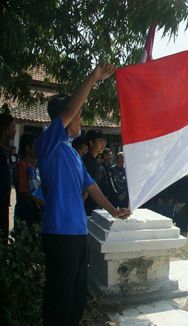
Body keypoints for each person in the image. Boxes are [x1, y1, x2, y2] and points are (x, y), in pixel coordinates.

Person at [36, 63, 130, 326]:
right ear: (64, 119)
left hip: (78, 232)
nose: (81, 120)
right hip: (58, 232)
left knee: (77, 295)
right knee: (60, 297)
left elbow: (91, 186)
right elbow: (69, 110)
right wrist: (94, 77)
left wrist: (113, 210)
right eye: (78, 115)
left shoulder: (73, 154)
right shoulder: (49, 144)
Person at [13, 133, 42, 228]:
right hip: (26, 213)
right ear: (27, 148)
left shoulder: (36, 166)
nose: (39, 148)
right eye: (36, 146)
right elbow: (25, 193)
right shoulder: (22, 166)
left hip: (36, 212)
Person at [0, 105, 16, 242]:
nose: (15, 131)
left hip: (5, 202)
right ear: (6, 130)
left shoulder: (7, 151)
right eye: (13, 127)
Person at [82, 129, 108, 215]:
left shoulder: (99, 164)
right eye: (100, 141)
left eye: (104, 142)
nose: (103, 145)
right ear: (91, 143)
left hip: (97, 210)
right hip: (85, 210)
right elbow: (86, 189)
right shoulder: (85, 161)